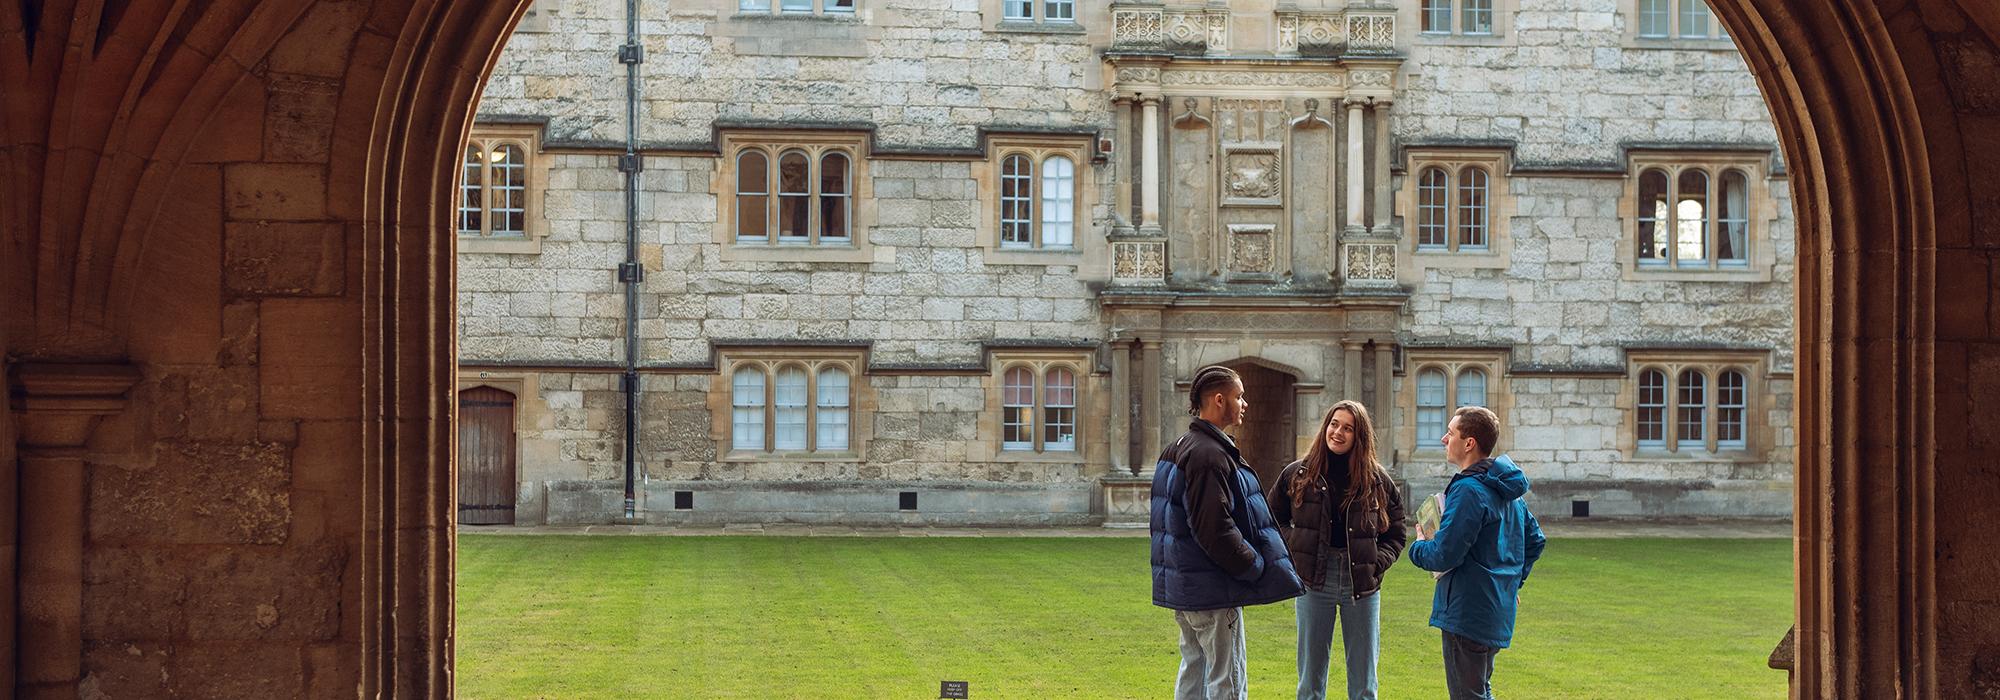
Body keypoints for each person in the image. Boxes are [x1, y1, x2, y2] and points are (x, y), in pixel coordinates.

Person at [1151, 365, 1305, 700]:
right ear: (1219, 400)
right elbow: (1213, 528)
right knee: (1227, 681)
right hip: (1214, 589)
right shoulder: (1208, 454)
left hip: (1189, 586)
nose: (1245, 403)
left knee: (1195, 671)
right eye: (1239, 396)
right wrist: (1252, 565)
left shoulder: (1179, 446)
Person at [1269, 400, 1407, 700]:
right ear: (1325, 427)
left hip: (1362, 583)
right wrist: (1296, 547)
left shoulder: (1377, 480)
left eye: (1348, 428)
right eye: (1334, 424)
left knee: (1364, 684)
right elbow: (1272, 519)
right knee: (1310, 681)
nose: (1338, 433)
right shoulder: (1298, 473)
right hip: (1313, 581)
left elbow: (1396, 533)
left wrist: (1375, 562)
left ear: (1360, 436)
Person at [1407, 406, 1547, 700]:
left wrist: (1418, 547)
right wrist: (1511, 583)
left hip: (1468, 610)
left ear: (1469, 443)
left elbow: (1445, 554)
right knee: (1480, 691)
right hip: (1494, 608)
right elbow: (1535, 540)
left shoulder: (1469, 489)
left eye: (1450, 433)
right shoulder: (1508, 492)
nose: (1445, 439)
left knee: (1468, 695)